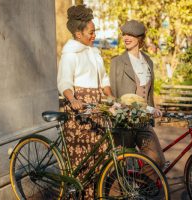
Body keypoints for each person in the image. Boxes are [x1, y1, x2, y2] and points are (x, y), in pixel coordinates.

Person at [57, 4, 113, 199]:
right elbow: (64, 81)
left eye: (94, 31)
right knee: (81, 157)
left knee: (99, 155)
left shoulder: (94, 53)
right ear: (78, 34)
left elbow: (104, 78)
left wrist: (109, 95)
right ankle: (78, 194)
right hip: (80, 109)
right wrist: (72, 99)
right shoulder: (70, 53)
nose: (94, 35)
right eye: (91, 32)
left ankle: (94, 194)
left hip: (96, 107)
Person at [109, 20, 165, 168]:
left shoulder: (148, 61)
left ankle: (144, 187)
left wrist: (152, 109)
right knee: (120, 164)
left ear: (139, 38)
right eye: (124, 34)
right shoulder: (117, 62)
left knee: (156, 159)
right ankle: (116, 191)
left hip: (143, 121)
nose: (126, 38)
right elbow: (115, 93)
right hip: (124, 121)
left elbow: (149, 92)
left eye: (131, 35)